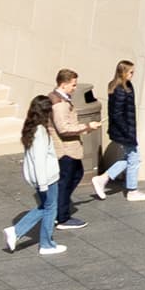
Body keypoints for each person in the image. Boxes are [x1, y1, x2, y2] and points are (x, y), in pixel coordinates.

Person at [4, 95, 68, 256]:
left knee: (45, 207)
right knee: (50, 208)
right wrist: (43, 184)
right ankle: (45, 244)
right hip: (47, 178)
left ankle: (16, 232)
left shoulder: (31, 129)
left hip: (39, 177)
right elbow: (39, 160)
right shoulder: (40, 132)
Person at [96, 59, 144, 200]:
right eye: (130, 72)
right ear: (123, 72)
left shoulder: (124, 86)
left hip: (125, 130)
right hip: (125, 131)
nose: (132, 75)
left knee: (130, 158)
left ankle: (103, 178)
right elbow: (117, 114)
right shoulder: (120, 89)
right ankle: (132, 190)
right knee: (134, 159)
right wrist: (128, 133)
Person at [47, 68, 88, 228]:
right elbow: (64, 128)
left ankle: (59, 206)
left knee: (76, 174)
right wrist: (85, 127)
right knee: (67, 179)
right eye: (73, 85)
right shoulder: (60, 104)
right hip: (66, 149)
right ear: (63, 84)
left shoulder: (58, 99)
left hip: (66, 148)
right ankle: (62, 216)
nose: (75, 88)